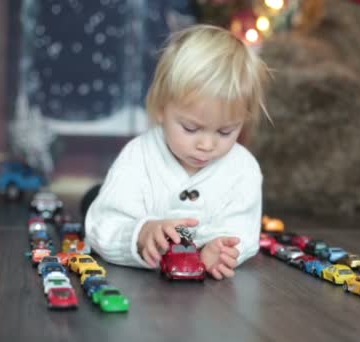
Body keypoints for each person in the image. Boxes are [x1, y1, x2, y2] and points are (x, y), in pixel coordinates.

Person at [84, 25, 270, 280]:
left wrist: (214, 250)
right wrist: (140, 234)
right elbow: (102, 226)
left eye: (225, 132)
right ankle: (93, 194)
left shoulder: (243, 169)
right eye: (191, 128)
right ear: (161, 108)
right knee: (94, 202)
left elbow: (243, 233)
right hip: (144, 298)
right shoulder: (139, 156)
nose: (206, 145)